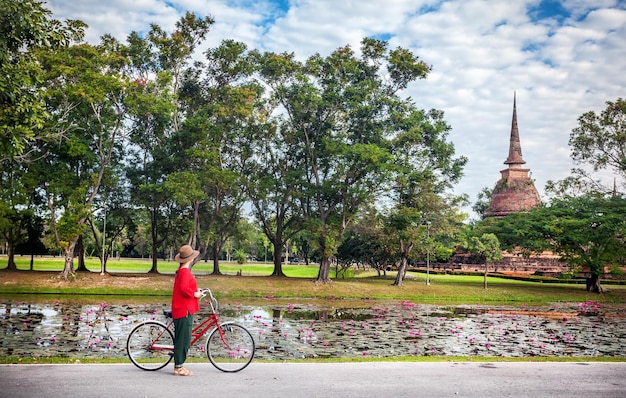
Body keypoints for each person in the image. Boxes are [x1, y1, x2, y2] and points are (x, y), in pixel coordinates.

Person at [171, 244, 203, 376]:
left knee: (183, 338)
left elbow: (186, 287)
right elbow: (184, 289)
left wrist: (197, 290)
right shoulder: (184, 272)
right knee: (183, 339)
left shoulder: (183, 272)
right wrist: (195, 294)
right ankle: (179, 367)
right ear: (190, 259)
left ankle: (179, 365)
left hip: (184, 308)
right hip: (184, 310)